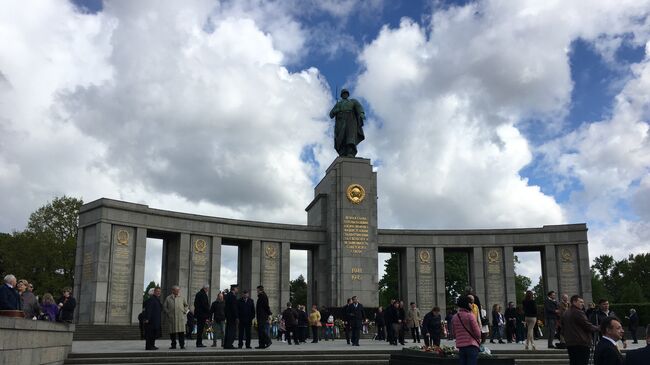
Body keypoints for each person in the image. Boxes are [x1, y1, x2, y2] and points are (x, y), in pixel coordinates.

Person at [561, 295, 599, 365]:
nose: (583, 304)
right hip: (581, 342)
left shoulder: (566, 312)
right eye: (580, 302)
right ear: (574, 302)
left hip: (570, 343)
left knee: (574, 362)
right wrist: (599, 328)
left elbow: (562, 329)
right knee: (582, 362)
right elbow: (587, 326)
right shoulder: (578, 312)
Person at [329, 88, 365, 157]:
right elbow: (331, 115)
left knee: (350, 136)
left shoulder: (353, 101)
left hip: (350, 119)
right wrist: (336, 110)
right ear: (341, 95)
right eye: (343, 94)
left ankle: (350, 152)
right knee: (341, 137)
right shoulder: (338, 104)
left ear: (348, 94)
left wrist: (361, 114)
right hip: (340, 120)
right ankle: (342, 152)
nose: (345, 95)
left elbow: (359, 107)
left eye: (346, 93)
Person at [453, 296, 481, 365]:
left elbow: (454, 333)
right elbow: (478, 333)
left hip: (461, 346)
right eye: (471, 303)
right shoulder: (470, 316)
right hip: (471, 345)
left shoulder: (455, 317)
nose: (472, 305)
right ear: (468, 304)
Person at [163, 285, 189, 350]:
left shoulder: (182, 297)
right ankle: (173, 345)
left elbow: (186, 305)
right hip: (172, 318)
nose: (177, 291)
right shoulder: (168, 298)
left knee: (181, 333)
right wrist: (168, 312)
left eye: (178, 290)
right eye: (176, 290)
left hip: (180, 318)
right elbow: (164, 307)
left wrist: (185, 311)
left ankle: (182, 345)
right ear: (173, 290)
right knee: (172, 333)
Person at [223, 284, 239, 349]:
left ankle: (226, 344)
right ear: (234, 289)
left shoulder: (228, 295)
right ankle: (229, 344)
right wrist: (236, 316)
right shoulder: (232, 296)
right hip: (232, 317)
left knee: (228, 330)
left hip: (228, 316)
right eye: (237, 288)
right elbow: (234, 308)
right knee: (231, 331)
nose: (237, 290)